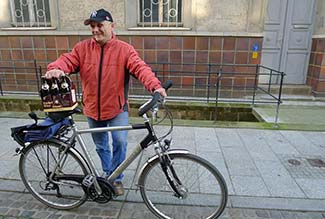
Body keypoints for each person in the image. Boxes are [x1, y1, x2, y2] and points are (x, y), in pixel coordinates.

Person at [45, 8, 166, 196]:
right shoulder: (82, 48)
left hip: (117, 108)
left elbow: (141, 68)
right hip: (92, 108)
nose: (95, 30)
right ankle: (108, 176)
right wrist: (55, 68)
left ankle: (115, 179)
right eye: (92, 26)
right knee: (101, 146)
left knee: (120, 141)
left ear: (111, 26)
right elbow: (67, 60)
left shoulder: (124, 50)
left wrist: (155, 87)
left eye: (99, 25)